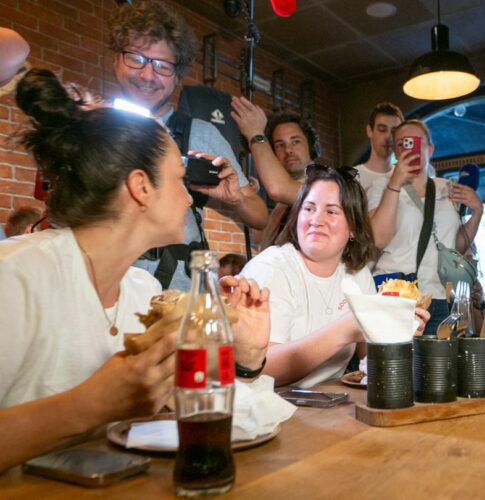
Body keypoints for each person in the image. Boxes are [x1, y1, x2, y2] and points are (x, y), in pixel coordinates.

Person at [0, 69, 270, 471]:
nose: (187, 199)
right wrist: (91, 404)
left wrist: (246, 356)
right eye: (180, 180)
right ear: (141, 186)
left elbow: (189, 415)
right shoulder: (16, 277)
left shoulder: (144, 292)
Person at [109, 0, 267, 290]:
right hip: (101, 286)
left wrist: (236, 199)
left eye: (162, 66)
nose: (147, 75)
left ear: (177, 76)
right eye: (136, 58)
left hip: (176, 294)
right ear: (116, 58)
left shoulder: (199, 133)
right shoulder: (92, 126)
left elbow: (259, 215)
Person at [240, 165, 429, 387]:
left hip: (327, 404)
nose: (316, 220)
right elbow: (259, 371)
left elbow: (369, 355)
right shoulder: (271, 268)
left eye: (331, 211)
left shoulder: (357, 274)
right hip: (265, 407)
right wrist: (346, 329)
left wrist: (398, 334)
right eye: (308, 209)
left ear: (353, 229)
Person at [367, 120, 483, 335]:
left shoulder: (447, 188)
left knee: (438, 366)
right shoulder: (381, 185)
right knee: (398, 365)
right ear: (395, 150)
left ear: (430, 149)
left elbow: (452, 245)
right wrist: (395, 183)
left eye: (416, 143)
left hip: (438, 295)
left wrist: (477, 213)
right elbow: (377, 238)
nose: (410, 149)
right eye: (402, 143)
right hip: (395, 292)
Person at [230, 100, 321, 248]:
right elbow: (267, 241)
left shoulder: (325, 183)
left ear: (310, 146)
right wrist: (243, 198)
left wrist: (255, 134)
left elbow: (278, 188)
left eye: (296, 141)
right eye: (280, 145)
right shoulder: (281, 204)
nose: (288, 150)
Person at [355, 102, 404, 193]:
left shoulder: (404, 176)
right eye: (382, 130)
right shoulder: (353, 178)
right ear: (370, 131)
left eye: (394, 131)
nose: (389, 137)